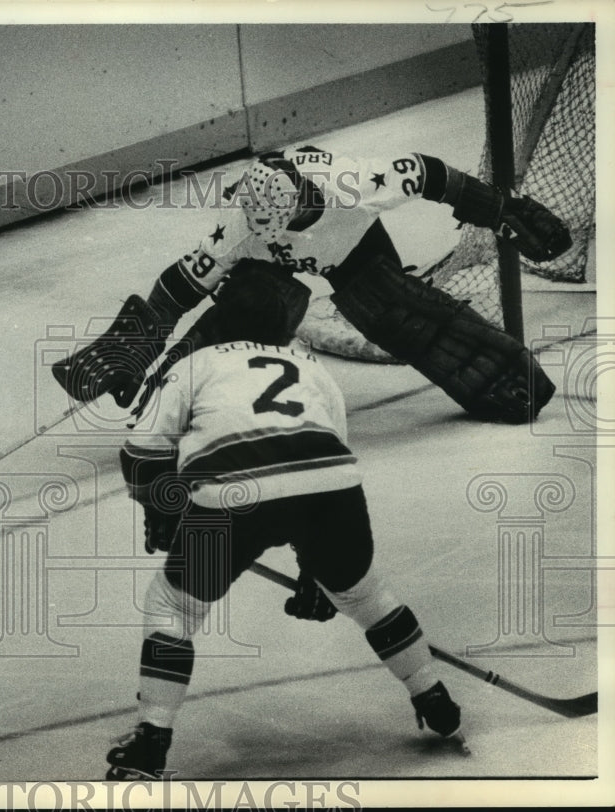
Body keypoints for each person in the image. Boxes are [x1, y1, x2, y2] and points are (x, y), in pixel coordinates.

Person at [106, 261, 466, 780]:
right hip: (330, 494)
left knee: (173, 608)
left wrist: (161, 510)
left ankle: (151, 741)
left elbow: (140, 457)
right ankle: (434, 697)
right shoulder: (312, 367)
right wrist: (315, 566)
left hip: (233, 497)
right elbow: (322, 461)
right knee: (366, 596)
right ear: (283, 325)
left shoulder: (196, 363)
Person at [53, 144, 570, 424]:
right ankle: (188, 396)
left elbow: (433, 175)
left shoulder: (356, 187)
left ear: (301, 201)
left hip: (352, 248)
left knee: (394, 312)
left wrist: (503, 210)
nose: (267, 234)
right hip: (271, 269)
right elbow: (180, 286)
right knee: (254, 301)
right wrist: (130, 349)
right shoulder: (244, 228)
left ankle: (503, 375)